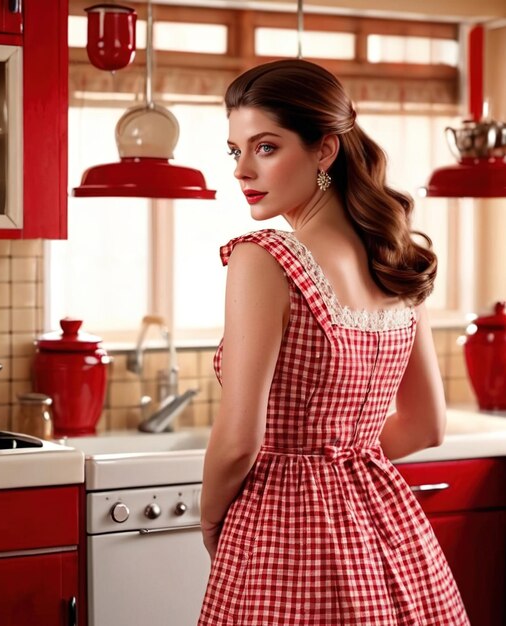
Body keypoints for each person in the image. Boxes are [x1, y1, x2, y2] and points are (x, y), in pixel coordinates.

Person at [197, 58, 469, 625]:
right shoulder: (395, 260)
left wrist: (209, 516)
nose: (242, 171)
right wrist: (341, 463)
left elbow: (238, 440)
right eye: (235, 150)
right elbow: (425, 426)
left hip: (282, 534)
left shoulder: (264, 257)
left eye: (266, 147)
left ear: (324, 150)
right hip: (387, 527)